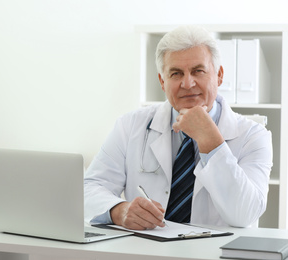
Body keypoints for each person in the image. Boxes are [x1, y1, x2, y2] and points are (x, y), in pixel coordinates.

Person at [84, 25, 273, 229]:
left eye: (198, 71)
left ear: (219, 75)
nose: (188, 83)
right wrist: (119, 211)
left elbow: (245, 215)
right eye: (176, 74)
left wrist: (210, 141)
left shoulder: (254, 136)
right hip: (146, 251)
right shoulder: (130, 126)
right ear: (162, 81)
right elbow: (89, 188)